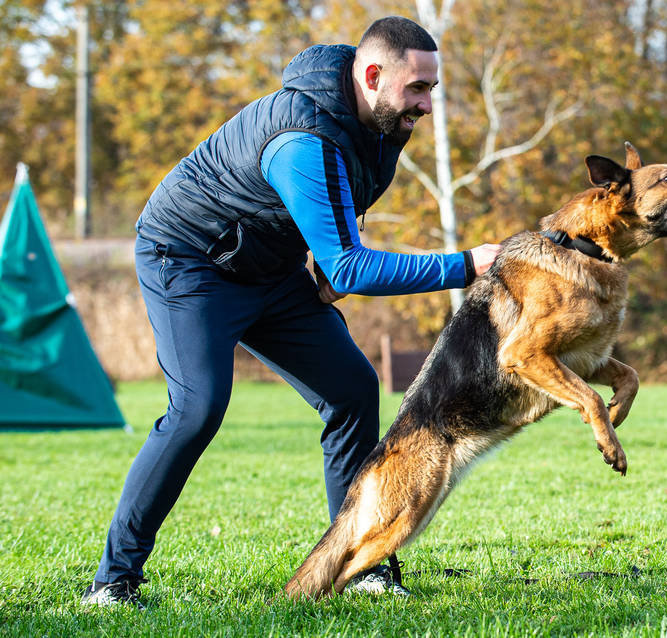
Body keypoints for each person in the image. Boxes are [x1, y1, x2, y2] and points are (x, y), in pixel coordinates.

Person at [81, 16, 501, 606]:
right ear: (373, 74)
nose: (426, 104)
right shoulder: (302, 137)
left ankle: (363, 562)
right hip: (191, 261)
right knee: (197, 409)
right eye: (418, 89)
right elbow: (351, 265)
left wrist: (330, 261)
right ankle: (113, 580)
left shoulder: (381, 121)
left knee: (353, 389)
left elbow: (342, 222)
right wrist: (468, 264)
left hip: (270, 268)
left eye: (431, 89)